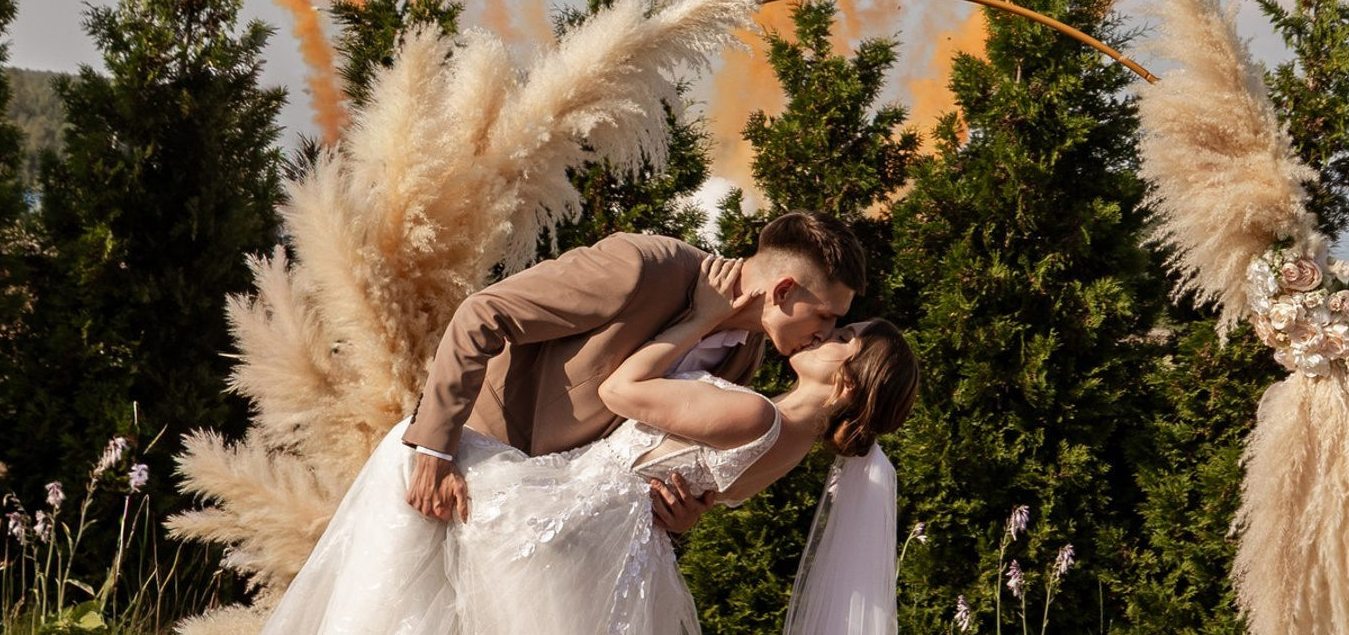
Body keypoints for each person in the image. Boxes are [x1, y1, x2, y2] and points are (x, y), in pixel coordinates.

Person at [260, 255, 918, 635]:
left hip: (559, 521)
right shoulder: (790, 442)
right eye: (830, 321)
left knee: (406, 462)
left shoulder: (754, 412)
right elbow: (692, 492)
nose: (824, 334)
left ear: (849, 381)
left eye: (840, 334)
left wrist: (699, 319)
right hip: (611, 548)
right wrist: (685, 513)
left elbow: (619, 391)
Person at [403, 210, 865, 535]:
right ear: (783, 291)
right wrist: (435, 452)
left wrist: (685, 513)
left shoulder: (746, 357)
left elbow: (656, 453)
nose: (825, 334)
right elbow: (483, 313)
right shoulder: (643, 267)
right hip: (466, 469)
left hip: (549, 522)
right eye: (825, 316)